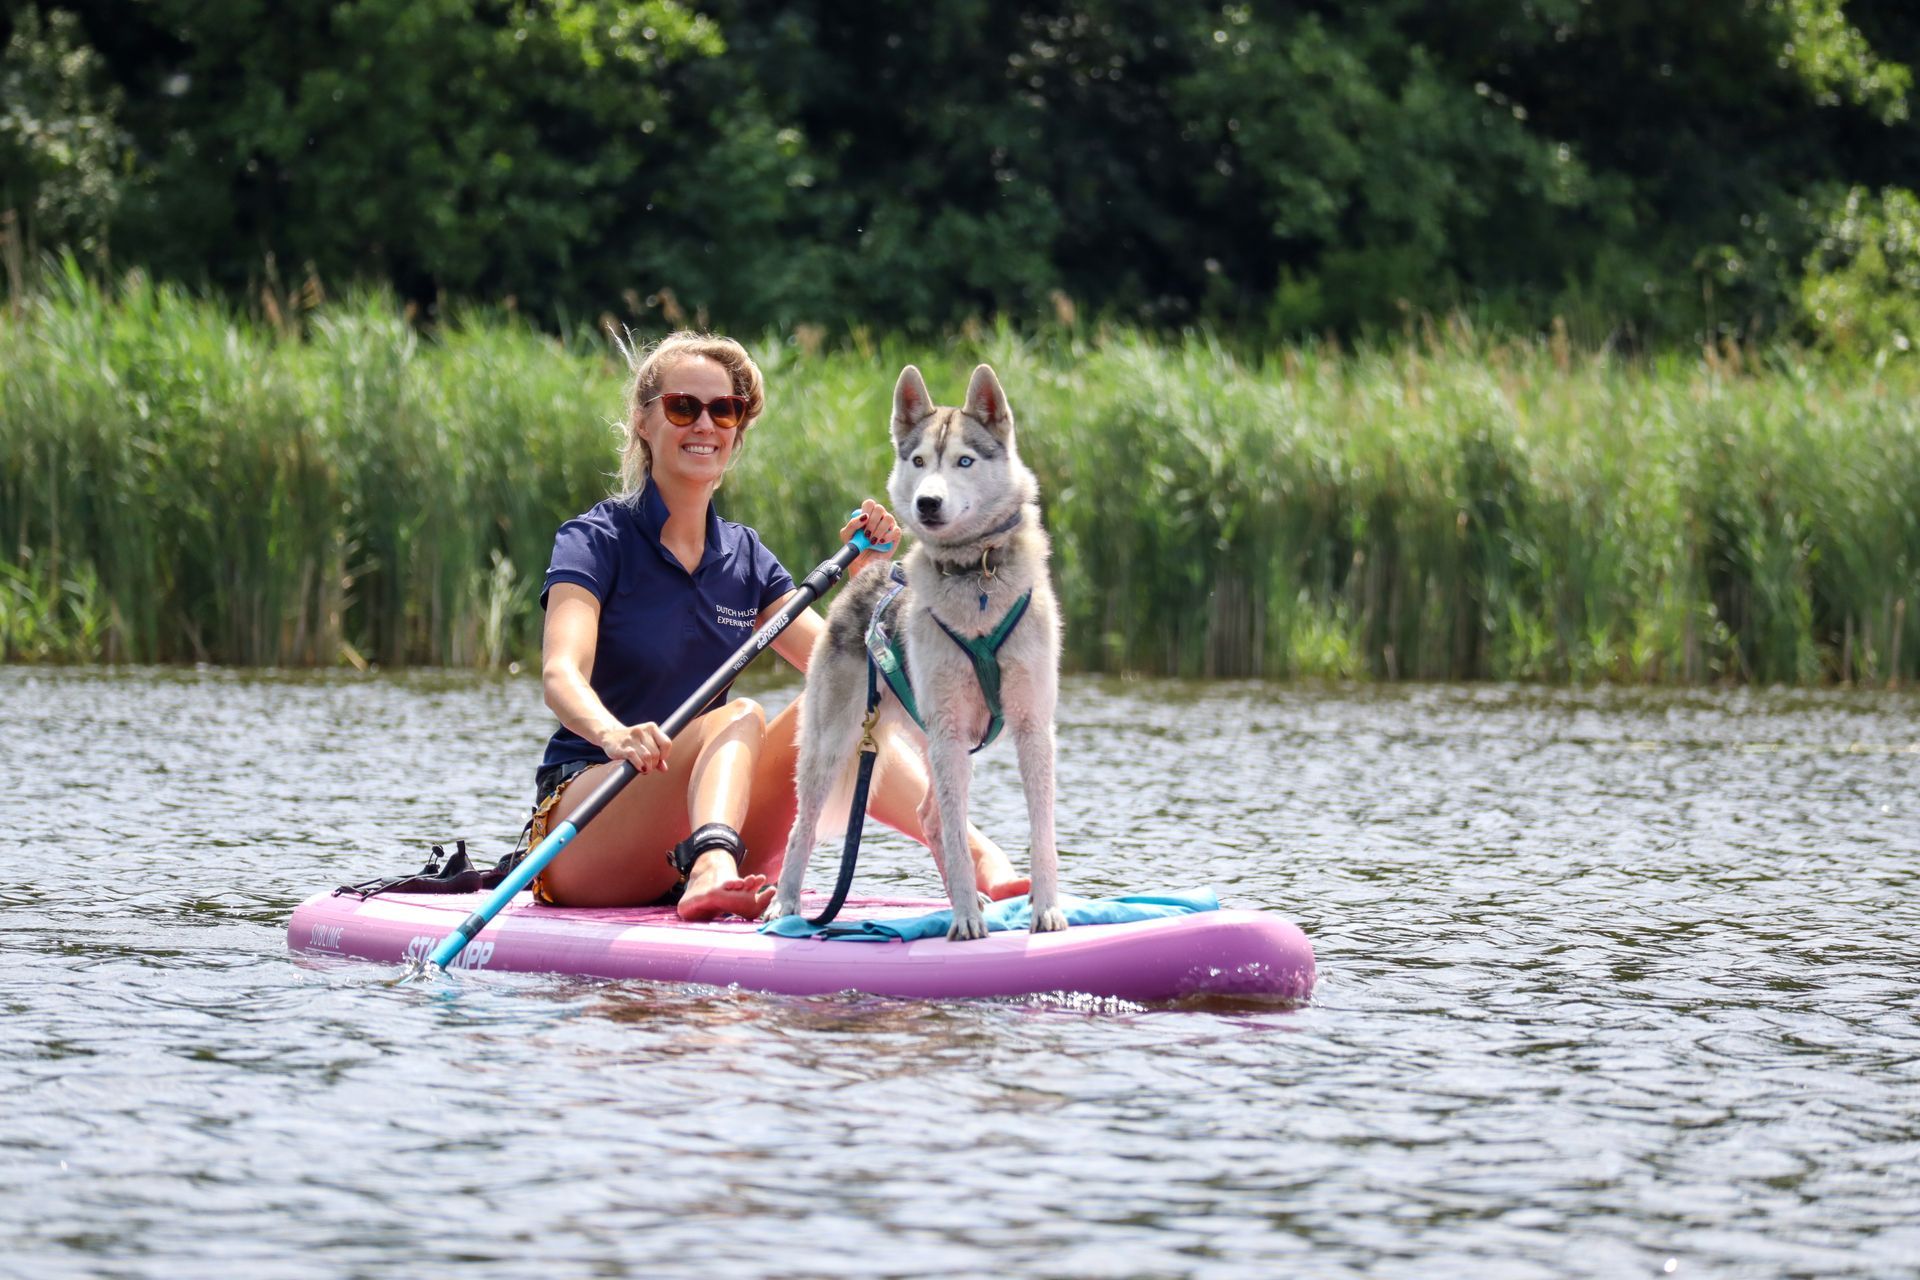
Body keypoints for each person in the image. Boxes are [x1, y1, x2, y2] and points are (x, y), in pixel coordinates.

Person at [527, 330, 1031, 921]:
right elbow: (561, 675)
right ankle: (710, 867)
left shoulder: (744, 557)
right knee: (739, 715)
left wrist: (871, 577)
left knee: (848, 702)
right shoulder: (595, 541)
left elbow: (861, 666)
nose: (705, 425)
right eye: (683, 407)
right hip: (587, 827)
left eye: (725, 409)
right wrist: (614, 734)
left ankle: (975, 856)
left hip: (703, 827)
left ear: (738, 430)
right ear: (644, 421)